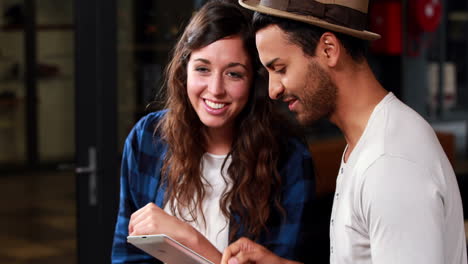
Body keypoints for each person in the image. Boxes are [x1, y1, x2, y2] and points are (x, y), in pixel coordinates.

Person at [222, 0, 467, 263]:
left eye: (280, 69)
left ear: (329, 49)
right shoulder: (369, 141)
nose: (273, 90)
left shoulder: (390, 164)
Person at [111, 1, 317, 264]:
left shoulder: (288, 158)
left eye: (234, 74)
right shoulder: (148, 138)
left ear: (254, 80)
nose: (216, 89)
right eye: (202, 69)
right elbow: (125, 256)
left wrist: (188, 238)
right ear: (184, 70)